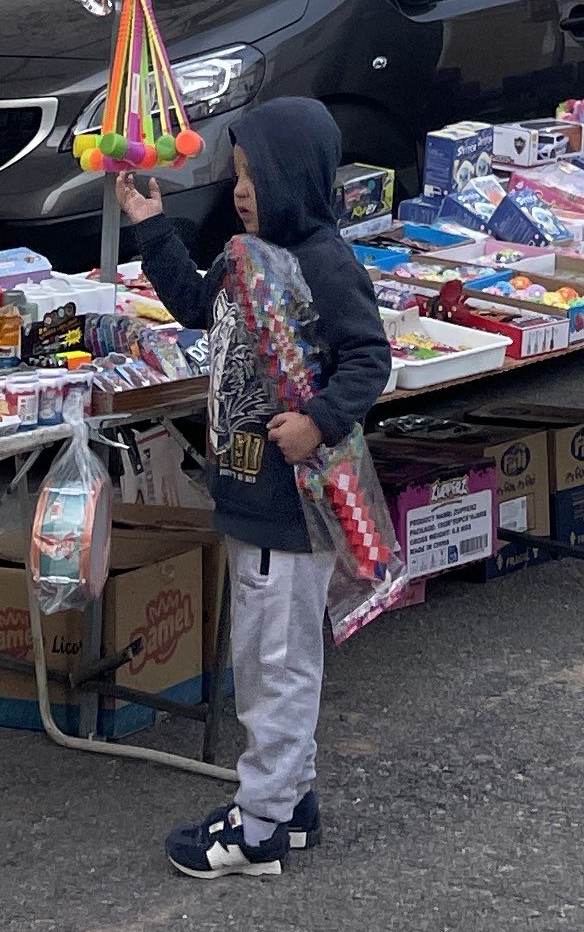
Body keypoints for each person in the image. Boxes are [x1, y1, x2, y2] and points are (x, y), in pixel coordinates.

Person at [119, 95, 389, 877]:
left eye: (253, 174)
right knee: (270, 654)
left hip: (289, 505)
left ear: (294, 177)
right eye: (236, 173)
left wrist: (319, 421)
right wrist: (149, 223)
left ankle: (262, 825)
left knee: (274, 665)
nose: (240, 189)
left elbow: (369, 358)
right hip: (247, 492)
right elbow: (194, 306)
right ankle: (290, 801)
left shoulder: (325, 263)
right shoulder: (243, 255)